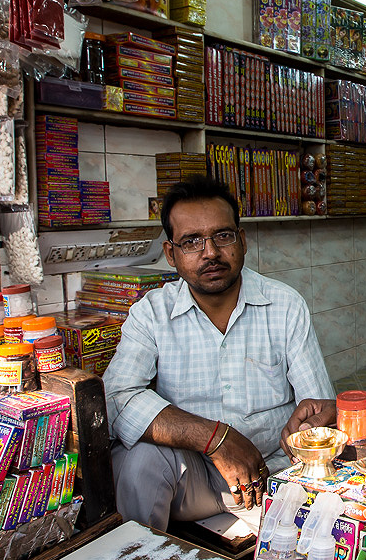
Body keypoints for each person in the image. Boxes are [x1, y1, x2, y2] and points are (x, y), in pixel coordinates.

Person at [103, 176, 335, 530]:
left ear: (241, 241)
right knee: (138, 462)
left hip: (271, 476)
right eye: (192, 241)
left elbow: (318, 404)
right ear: (171, 254)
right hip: (191, 477)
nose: (210, 252)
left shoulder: (285, 305)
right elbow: (116, 398)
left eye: (222, 236)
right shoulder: (151, 313)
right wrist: (215, 439)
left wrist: (311, 422)